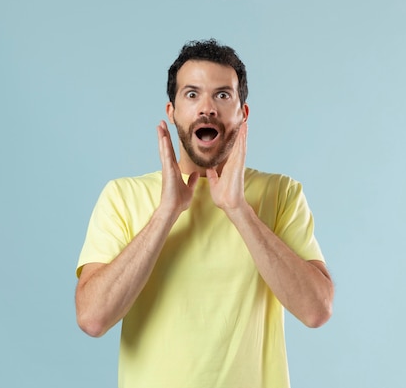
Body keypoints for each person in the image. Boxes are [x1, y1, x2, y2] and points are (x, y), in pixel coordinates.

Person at [75, 39, 334, 388]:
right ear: (172, 112)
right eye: (192, 94)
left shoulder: (281, 194)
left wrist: (239, 209)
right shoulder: (122, 196)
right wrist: (167, 212)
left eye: (223, 95)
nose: (207, 108)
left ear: (243, 113)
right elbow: (92, 318)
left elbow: (316, 310)